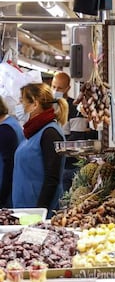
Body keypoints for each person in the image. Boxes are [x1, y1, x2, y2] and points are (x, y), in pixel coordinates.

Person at [12, 83, 68, 218]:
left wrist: (39, 212)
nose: (20, 105)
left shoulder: (50, 133)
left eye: (22, 101)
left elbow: (52, 177)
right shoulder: (33, 131)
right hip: (26, 208)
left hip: (39, 211)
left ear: (35, 104)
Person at [51, 71, 97, 192]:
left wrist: (54, 148)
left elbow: (76, 137)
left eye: (60, 88)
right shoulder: (48, 107)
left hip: (69, 166)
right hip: (52, 166)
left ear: (68, 88)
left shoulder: (74, 108)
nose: (56, 91)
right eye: (53, 86)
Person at [0, 97, 25, 208]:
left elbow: (8, 166)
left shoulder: (5, 130)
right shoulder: (12, 123)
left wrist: (2, 198)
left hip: (6, 194)